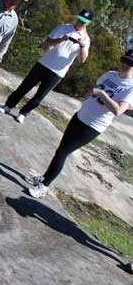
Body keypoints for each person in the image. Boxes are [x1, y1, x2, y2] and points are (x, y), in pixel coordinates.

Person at [27, 50, 133, 198]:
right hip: (80, 116)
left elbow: (118, 110)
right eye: (124, 60)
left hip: (93, 125)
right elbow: (94, 89)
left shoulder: (130, 87)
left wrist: (102, 94)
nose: (124, 64)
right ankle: (44, 178)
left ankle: (44, 187)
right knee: (60, 150)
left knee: (63, 152)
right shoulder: (110, 74)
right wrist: (91, 93)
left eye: (129, 63)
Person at [0, 10, 92, 124]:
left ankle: (23, 113)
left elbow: (82, 59)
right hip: (44, 63)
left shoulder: (86, 39)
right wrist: (62, 39)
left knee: (39, 96)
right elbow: (46, 43)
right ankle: (8, 105)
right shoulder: (63, 28)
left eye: (83, 22)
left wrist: (82, 46)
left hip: (58, 72)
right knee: (24, 87)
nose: (80, 23)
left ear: (88, 23)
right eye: (79, 19)